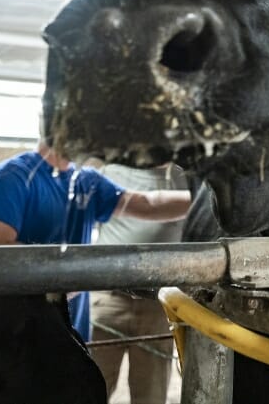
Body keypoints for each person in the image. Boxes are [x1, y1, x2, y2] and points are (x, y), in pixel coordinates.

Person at [0, 142, 191, 343]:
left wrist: (205, 199)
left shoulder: (87, 181)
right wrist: (71, 273)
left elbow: (148, 204)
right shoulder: (13, 177)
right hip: (15, 336)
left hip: (69, 333)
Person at [90, 163, 188, 404]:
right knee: (90, 387)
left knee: (151, 395)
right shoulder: (106, 173)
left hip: (158, 305)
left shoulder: (187, 179)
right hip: (107, 300)